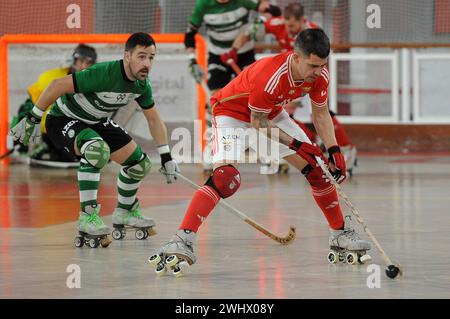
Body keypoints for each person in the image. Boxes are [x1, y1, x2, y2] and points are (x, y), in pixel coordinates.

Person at [148, 29, 370, 276]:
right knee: (225, 178)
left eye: (322, 65)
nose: (317, 72)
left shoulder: (320, 75)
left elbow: (320, 113)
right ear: (296, 57)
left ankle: (339, 234)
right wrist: (297, 145)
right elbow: (258, 123)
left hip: (269, 113)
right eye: (312, 65)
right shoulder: (272, 76)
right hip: (232, 113)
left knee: (318, 170)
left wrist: (334, 149)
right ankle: (182, 238)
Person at [10, 33, 179, 248]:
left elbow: (154, 120)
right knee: (97, 151)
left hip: (96, 120)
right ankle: (87, 216)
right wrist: (33, 117)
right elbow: (56, 85)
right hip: (63, 118)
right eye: (141, 56)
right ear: (127, 56)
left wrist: (166, 156)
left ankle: (125, 213)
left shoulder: (141, 86)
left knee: (139, 163)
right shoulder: (103, 73)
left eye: (151, 58)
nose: (147, 63)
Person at [232, 2, 358, 175]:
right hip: (288, 76)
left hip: (309, 76)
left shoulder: (312, 33)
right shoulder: (278, 24)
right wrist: (235, 48)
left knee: (322, 111)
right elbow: (249, 31)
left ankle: (344, 148)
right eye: (287, 24)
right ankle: (301, 147)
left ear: (301, 21)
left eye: (293, 26)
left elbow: (320, 62)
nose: (289, 29)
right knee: (282, 115)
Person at [184, 0, 281, 172]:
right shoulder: (202, 5)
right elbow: (190, 34)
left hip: (244, 54)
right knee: (215, 99)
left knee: (254, 100)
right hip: (218, 55)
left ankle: (266, 150)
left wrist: (257, 23)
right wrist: (192, 60)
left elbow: (274, 11)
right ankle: (212, 148)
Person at [10, 44, 98, 167]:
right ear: (74, 61)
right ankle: (28, 148)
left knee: (75, 156)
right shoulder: (52, 77)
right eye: (81, 61)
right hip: (53, 126)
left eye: (88, 63)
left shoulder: (95, 82)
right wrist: (21, 139)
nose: (83, 66)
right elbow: (29, 104)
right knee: (26, 110)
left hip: (75, 127)